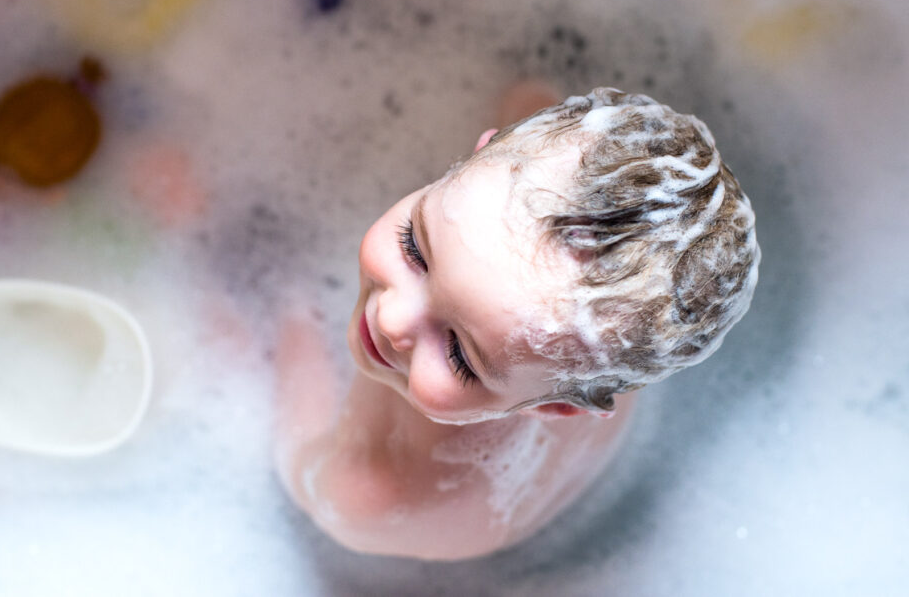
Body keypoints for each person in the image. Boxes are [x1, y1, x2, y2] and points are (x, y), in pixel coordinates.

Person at [273, 86, 760, 560]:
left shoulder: (372, 494)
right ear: (482, 150)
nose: (391, 318)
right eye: (415, 248)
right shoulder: (596, 332)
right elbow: (530, 102)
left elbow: (295, 441)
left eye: (458, 354)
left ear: (555, 409)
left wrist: (288, 308)